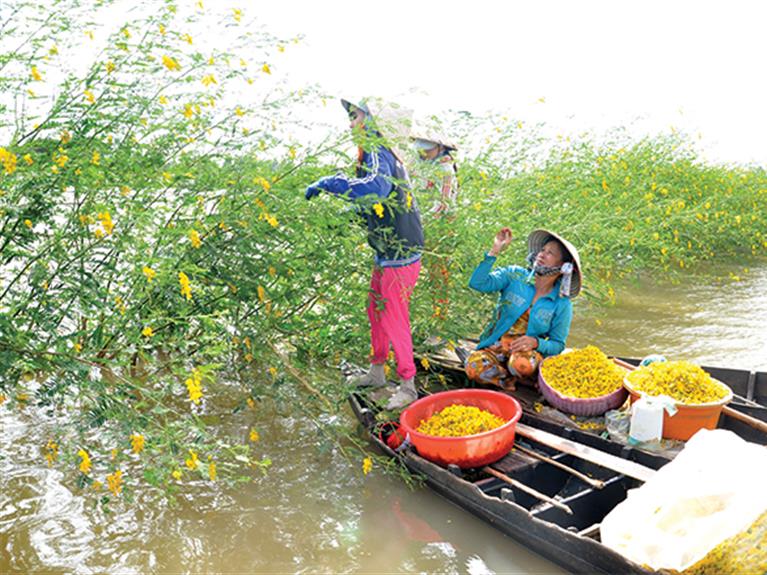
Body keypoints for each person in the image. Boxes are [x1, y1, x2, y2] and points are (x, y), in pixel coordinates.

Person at [305, 98, 423, 409]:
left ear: (372, 122)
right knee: (376, 309)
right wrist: (341, 218)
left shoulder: (378, 152)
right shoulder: (374, 156)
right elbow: (372, 203)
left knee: (394, 314)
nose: (350, 122)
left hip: (401, 251)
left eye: (355, 115)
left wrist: (331, 182)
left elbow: (374, 190)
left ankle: (408, 385)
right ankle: (376, 371)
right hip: (387, 250)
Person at [464, 227, 581, 390]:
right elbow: (477, 283)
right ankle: (507, 380)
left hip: (524, 355)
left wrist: (536, 342)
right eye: (542, 250)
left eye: (550, 253)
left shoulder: (561, 303)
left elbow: (558, 344)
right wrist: (495, 250)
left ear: (564, 266)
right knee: (473, 367)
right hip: (495, 348)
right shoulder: (515, 276)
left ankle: (521, 374)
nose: (542, 254)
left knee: (522, 364)